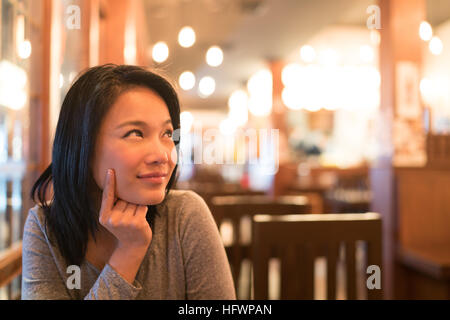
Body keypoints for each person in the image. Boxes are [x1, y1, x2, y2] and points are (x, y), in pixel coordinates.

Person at [22, 64, 236, 300]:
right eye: (135, 133)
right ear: (83, 145)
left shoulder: (185, 216)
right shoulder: (45, 229)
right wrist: (129, 252)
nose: (163, 155)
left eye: (167, 134)